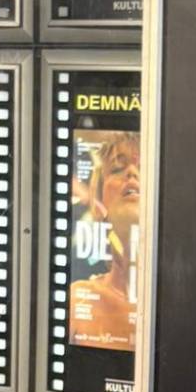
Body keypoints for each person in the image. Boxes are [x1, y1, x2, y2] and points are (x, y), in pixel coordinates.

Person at [69, 132, 139, 350]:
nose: (132, 172)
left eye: (147, 167)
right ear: (98, 204)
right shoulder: (78, 299)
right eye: (117, 169)